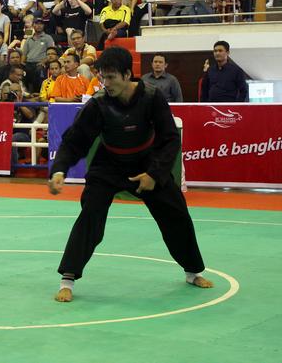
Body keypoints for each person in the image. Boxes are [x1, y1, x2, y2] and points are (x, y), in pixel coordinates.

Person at [49, 47, 213, 303]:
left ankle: (192, 271)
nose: (106, 83)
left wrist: (154, 174)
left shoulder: (151, 97)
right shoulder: (99, 103)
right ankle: (67, 278)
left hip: (147, 163)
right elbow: (75, 140)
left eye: (112, 77)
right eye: (103, 77)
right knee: (91, 213)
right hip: (109, 164)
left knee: (176, 213)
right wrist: (60, 168)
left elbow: (169, 140)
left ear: (128, 75)